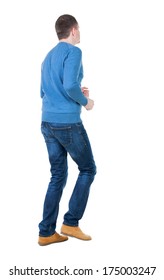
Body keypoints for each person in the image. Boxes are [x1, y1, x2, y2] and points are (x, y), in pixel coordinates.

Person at [38, 14, 96, 246]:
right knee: (88, 169)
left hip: (47, 123)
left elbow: (44, 91)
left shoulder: (48, 56)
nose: (79, 33)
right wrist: (85, 102)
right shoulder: (74, 52)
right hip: (67, 123)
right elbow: (70, 85)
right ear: (73, 30)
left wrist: (71, 93)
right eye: (79, 29)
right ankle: (71, 223)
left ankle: (46, 232)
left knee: (57, 175)